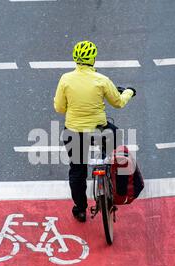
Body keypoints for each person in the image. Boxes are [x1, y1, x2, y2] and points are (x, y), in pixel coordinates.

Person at [54, 40, 136, 222]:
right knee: (113, 146)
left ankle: (81, 209)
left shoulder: (66, 79)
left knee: (77, 170)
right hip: (99, 131)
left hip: (73, 132)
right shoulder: (102, 80)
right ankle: (108, 172)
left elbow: (60, 108)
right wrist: (129, 91)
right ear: (93, 59)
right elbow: (118, 103)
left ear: (75, 59)